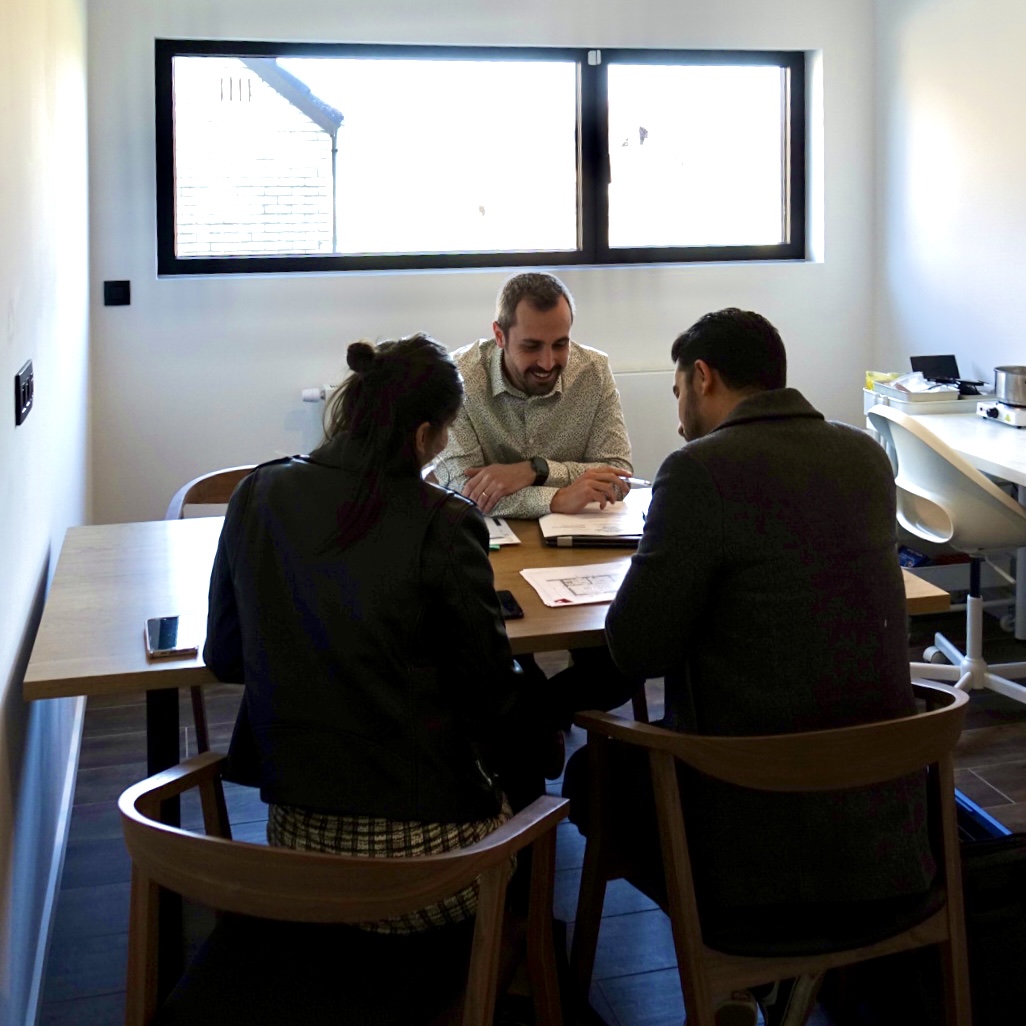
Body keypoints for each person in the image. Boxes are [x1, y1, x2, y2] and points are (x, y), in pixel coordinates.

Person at [563, 309, 935, 1026]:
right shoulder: (864, 456)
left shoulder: (698, 470)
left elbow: (635, 649)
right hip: (886, 837)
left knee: (591, 776)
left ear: (703, 378)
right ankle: (778, 983)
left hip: (754, 852)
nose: (678, 414)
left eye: (677, 390)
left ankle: (734, 972)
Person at [204, 333, 543, 952]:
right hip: (430, 871)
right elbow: (489, 699)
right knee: (533, 757)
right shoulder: (444, 522)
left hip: (297, 852)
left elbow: (225, 657)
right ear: (422, 435)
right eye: (445, 432)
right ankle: (515, 957)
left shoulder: (258, 492)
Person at [434, 271, 634, 518]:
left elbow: (618, 477)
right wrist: (556, 499)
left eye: (560, 344)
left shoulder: (594, 372)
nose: (547, 363)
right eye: (531, 346)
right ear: (500, 336)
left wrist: (538, 470)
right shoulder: (461, 378)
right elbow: (463, 489)